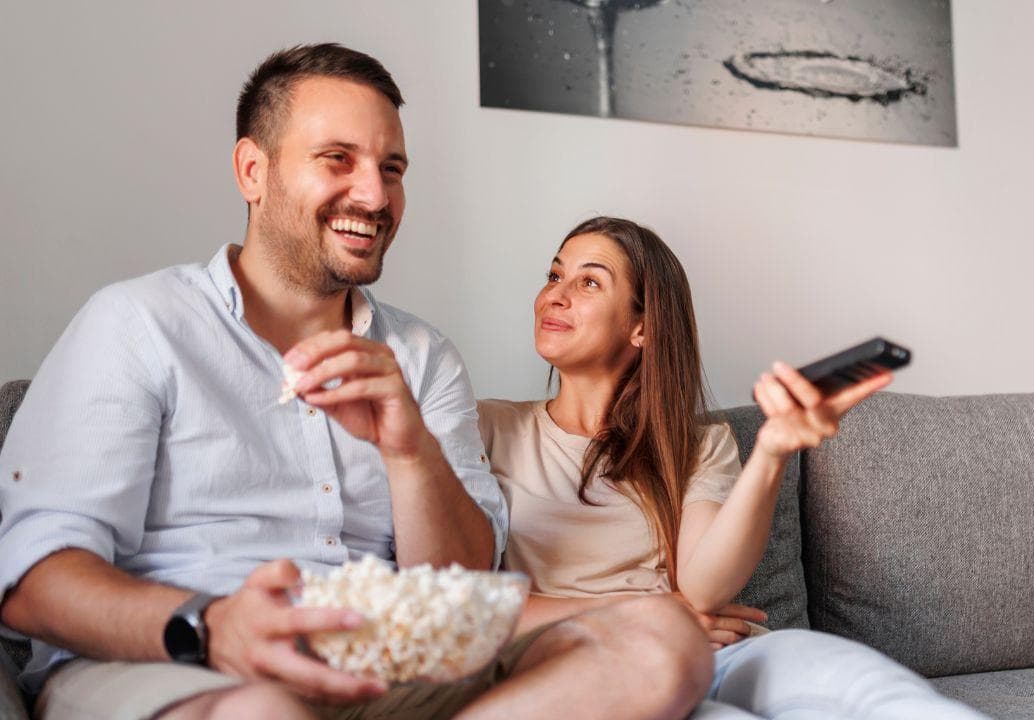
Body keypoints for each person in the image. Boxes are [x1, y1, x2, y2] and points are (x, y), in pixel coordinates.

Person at [0, 47, 711, 720]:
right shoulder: (139, 322)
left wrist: (410, 453)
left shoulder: (423, 356)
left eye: (392, 168)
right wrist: (210, 626)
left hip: (383, 667)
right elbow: (32, 582)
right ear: (253, 170)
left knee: (661, 640)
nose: (373, 195)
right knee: (262, 712)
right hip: (174, 660)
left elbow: (464, 584)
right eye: (337, 159)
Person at [478, 216, 988, 719]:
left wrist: (771, 451)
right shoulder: (485, 427)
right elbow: (466, 607)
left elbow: (703, 589)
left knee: (861, 683)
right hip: (593, 661)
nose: (555, 295)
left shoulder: (697, 443)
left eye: (588, 281)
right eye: (553, 275)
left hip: (713, 644)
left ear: (642, 327)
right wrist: (648, 612)